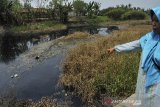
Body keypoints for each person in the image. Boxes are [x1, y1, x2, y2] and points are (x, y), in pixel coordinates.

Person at [107, 6, 160, 107]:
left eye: (157, 21)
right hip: (143, 79)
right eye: (152, 20)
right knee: (142, 100)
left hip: (157, 83)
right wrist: (116, 48)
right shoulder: (148, 38)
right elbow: (133, 45)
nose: (153, 23)